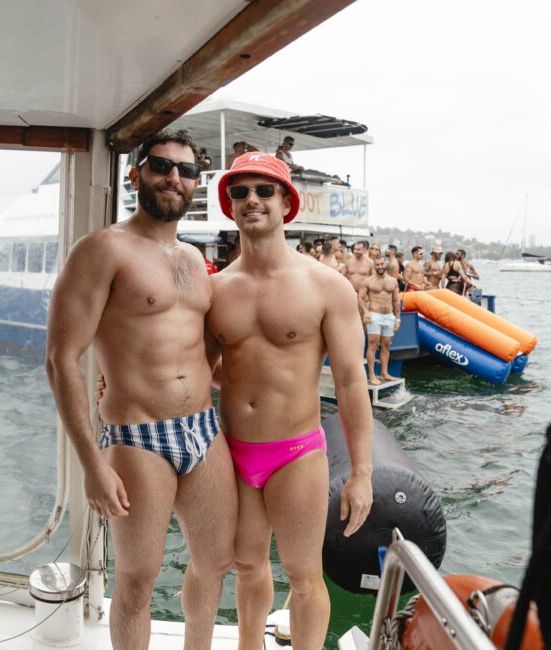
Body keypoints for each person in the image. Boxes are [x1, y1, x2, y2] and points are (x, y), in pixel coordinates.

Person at [45, 129, 237, 650]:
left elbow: (205, 348)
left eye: (186, 170)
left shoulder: (197, 261)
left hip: (203, 427)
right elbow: (61, 359)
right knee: (137, 580)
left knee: (216, 562)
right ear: (136, 175)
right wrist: (92, 465)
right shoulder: (103, 249)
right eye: (161, 166)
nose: (174, 177)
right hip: (137, 437)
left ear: (196, 184)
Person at [210, 152, 373, 649]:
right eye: (240, 192)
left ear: (287, 204)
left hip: (296, 452)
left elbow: (350, 381)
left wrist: (363, 474)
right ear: (229, 205)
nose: (252, 201)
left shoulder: (326, 286)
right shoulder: (215, 289)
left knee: (304, 575)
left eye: (264, 191)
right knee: (247, 566)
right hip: (233, 450)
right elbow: (198, 369)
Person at [358, 256, 401, 385]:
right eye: (377, 265)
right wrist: (366, 312)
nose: (380, 267)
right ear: (374, 266)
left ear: (385, 264)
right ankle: (372, 375)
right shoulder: (368, 281)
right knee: (373, 345)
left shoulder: (393, 281)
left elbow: (396, 301)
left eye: (382, 264)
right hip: (374, 315)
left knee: (386, 345)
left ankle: (384, 372)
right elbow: (360, 298)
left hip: (389, 316)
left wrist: (397, 319)